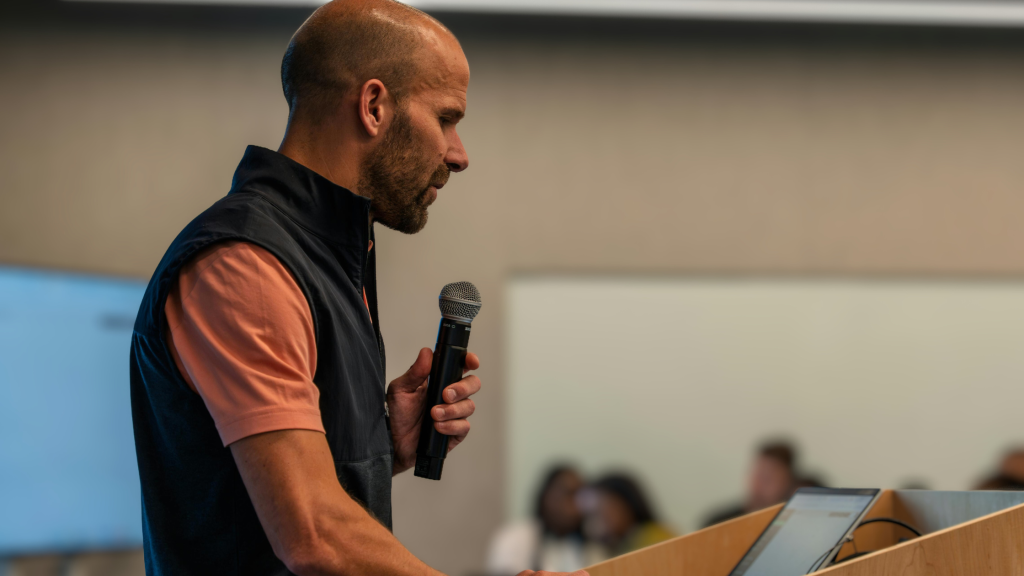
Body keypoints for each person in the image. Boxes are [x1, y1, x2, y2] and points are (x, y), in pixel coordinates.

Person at [129, 2, 587, 575]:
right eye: (446, 118)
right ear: (374, 107)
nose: (459, 154)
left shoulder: (328, 255)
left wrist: (380, 445)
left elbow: (285, 492)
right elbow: (314, 533)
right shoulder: (247, 264)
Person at [487, 466, 607, 574]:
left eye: (580, 497)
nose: (576, 505)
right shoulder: (515, 536)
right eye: (569, 494)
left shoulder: (589, 546)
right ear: (546, 496)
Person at [702, 441, 800, 528]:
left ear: (788, 483)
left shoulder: (794, 525)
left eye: (768, 479)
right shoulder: (718, 524)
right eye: (758, 475)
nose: (760, 484)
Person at [584, 473, 674, 556]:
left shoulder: (656, 537)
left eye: (604, 506)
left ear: (626, 503)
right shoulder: (619, 546)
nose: (601, 516)